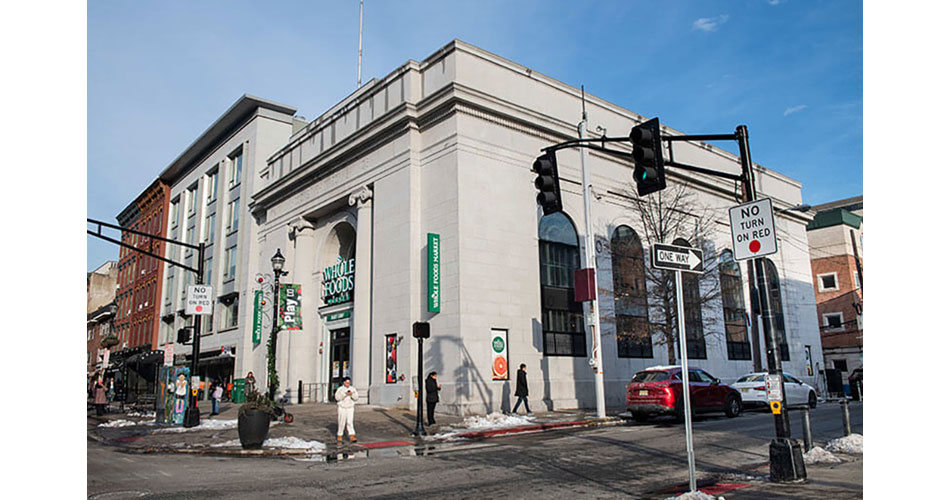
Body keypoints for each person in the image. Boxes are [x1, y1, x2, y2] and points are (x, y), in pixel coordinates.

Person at [334, 377, 359, 444]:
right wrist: (345, 394)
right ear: (344, 382)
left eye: (349, 382)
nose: (348, 384)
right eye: (347, 382)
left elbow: (356, 398)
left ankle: (352, 435)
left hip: (350, 407)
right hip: (342, 407)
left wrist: (352, 394)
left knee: (350, 421)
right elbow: (337, 398)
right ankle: (340, 435)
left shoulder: (352, 389)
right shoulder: (340, 389)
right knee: (341, 421)